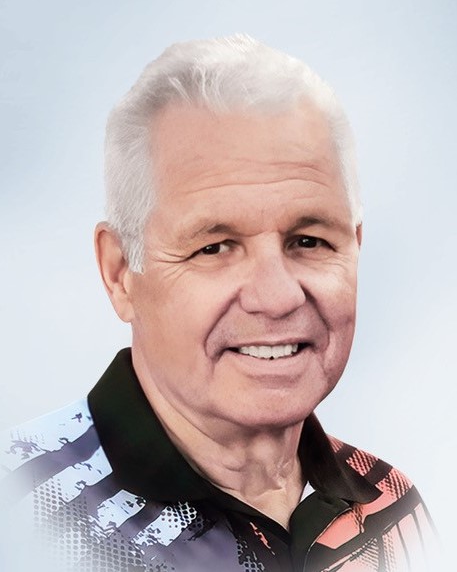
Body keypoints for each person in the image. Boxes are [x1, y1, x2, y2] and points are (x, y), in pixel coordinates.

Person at [0, 34, 437, 572]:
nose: (277, 297)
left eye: (309, 241)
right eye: (214, 247)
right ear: (120, 273)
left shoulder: (392, 503)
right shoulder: (22, 511)